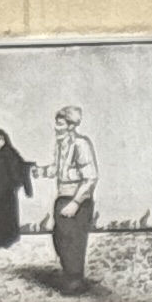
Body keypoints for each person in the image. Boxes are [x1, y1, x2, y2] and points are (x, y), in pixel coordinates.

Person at [47, 107, 96, 285]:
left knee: (73, 242)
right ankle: (69, 273)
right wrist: (44, 171)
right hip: (62, 198)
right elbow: (58, 170)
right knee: (59, 238)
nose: (55, 128)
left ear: (70, 126)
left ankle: (75, 280)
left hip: (78, 201)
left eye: (60, 124)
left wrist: (75, 203)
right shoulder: (61, 144)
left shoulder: (81, 144)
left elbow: (90, 177)